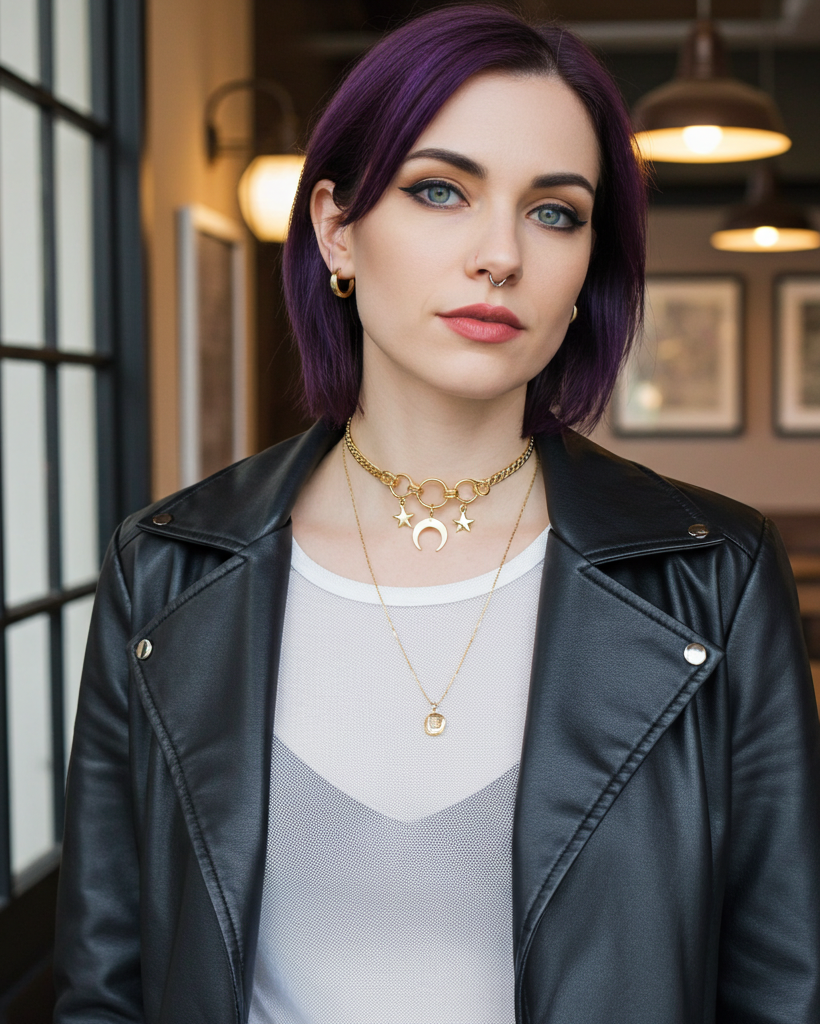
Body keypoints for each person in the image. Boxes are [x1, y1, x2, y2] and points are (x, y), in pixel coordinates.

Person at [54, 6, 820, 1023]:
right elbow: (104, 983)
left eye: (555, 212)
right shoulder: (166, 568)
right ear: (336, 228)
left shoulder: (714, 574)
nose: (500, 253)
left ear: (589, 263)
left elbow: (780, 984)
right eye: (439, 190)